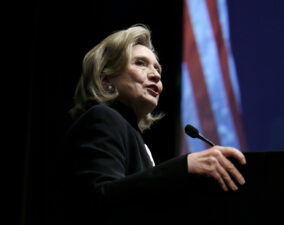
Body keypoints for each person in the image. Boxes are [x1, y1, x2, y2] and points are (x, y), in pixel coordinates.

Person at [58, 24, 246, 225]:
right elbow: (99, 199)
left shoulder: (133, 135)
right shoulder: (102, 118)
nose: (156, 75)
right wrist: (184, 166)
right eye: (140, 63)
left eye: (157, 68)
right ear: (106, 79)